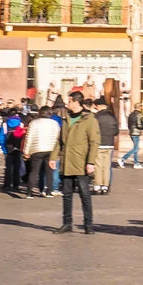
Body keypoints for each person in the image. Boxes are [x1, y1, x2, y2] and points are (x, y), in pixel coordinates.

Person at [54, 92, 102, 234]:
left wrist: (91, 161)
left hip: (81, 162)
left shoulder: (89, 119)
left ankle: (88, 224)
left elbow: (94, 142)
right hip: (67, 161)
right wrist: (53, 157)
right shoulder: (66, 118)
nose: (67, 103)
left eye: (69, 100)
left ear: (76, 102)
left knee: (84, 193)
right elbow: (59, 141)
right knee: (67, 194)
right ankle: (67, 223)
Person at [22, 105, 61, 197]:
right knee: (49, 171)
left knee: (34, 171)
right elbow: (57, 137)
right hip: (51, 149)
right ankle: (49, 191)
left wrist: (26, 151)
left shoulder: (34, 123)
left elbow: (29, 138)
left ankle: (29, 192)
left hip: (37, 149)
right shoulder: (55, 123)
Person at [93, 100, 120, 192]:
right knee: (107, 166)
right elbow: (116, 131)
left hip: (99, 143)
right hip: (109, 143)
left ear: (99, 106)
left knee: (98, 165)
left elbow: (93, 130)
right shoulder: (112, 117)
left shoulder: (96, 117)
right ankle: (105, 185)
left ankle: (98, 185)